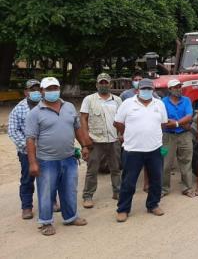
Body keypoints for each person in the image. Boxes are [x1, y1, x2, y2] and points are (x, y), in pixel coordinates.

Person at [25, 77, 91, 236]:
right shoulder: (35, 113)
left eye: (55, 88)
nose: (52, 91)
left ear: (59, 89)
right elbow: (30, 139)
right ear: (42, 91)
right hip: (46, 160)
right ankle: (46, 222)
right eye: (48, 89)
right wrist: (32, 163)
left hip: (69, 158)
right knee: (46, 191)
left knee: (69, 189)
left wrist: (84, 146)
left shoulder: (69, 107)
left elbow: (77, 128)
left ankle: (70, 217)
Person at [114, 79, 169, 222]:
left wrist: (151, 134)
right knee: (128, 182)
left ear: (153, 90)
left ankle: (153, 204)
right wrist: (127, 135)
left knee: (156, 179)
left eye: (149, 89)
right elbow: (118, 123)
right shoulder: (127, 104)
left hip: (154, 149)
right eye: (143, 88)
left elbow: (163, 123)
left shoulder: (159, 104)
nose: (146, 91)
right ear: (137, 90)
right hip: (133, 149)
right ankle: (123, 209)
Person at [80, 73, 122, 208]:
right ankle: (88, 195)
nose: (104, 85)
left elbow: (122, 119)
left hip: (113, 140)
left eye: (106, 83)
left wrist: (121, 134)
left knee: (115, 168)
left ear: (110, 84)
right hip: (95, 140)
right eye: (101, 83)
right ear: (97, 84)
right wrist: (85, 138)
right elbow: (83, 119)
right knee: (92, 170)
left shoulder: (117, 100)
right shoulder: (89, 99)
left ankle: (117, 191)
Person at [8, 79, 45, 220]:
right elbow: (13, 130)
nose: (35, 92)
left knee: (49, 177)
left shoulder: (47, 105)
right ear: (26, 92)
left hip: (46, 150)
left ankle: (51, 202)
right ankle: (27, 207)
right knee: (27, 179)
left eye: (38, 89)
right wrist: (28, 146)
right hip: (26, 152)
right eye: (32, 89)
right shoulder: (19, 109)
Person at [161, 79, 194, 198]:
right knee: (165, 163)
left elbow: (189, 117)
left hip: (184, 135)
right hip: (167, 136)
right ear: (169, 89)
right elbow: (164, 120)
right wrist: (181, 122)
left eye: (180, 86)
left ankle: (187, 188)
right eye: (175, 87)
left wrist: (175, 123)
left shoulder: (186, 100)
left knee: (186, 162)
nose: (178, 89)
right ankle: (164, 189)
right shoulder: (163, 102)